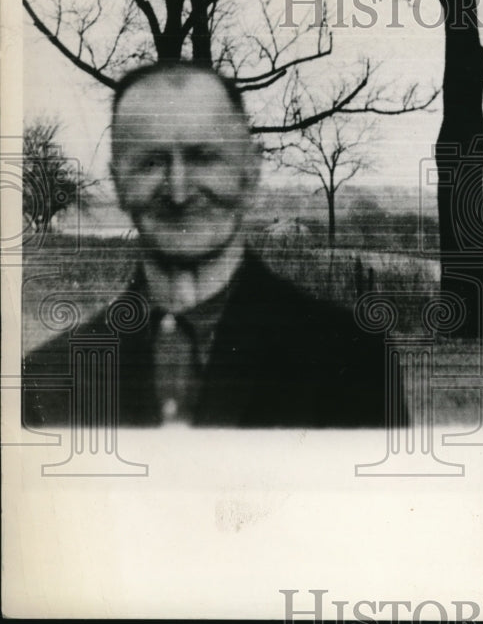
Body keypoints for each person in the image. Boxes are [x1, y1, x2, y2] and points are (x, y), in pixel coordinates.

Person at [24, 61, 402, 428]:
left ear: (250, 173)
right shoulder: (49, 377)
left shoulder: (350, 361)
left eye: (204, 158)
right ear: (118, 182)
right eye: (150, 163)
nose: (178, 191)